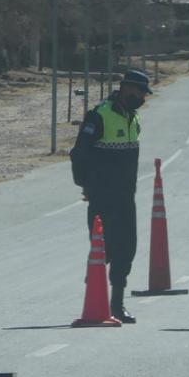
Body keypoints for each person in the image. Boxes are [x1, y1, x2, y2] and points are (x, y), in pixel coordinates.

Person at [70, 70, 151, 324]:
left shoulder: (134, 118)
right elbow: (79, 153)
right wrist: (86, 185)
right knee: (104, 248)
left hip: (126, 196)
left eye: (143, 94)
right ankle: (95, 300)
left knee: (126, 249)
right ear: (126, 88)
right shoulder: (99, 115)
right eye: (137, 92)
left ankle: (117, 305)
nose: (140, 97)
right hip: (102, 196)